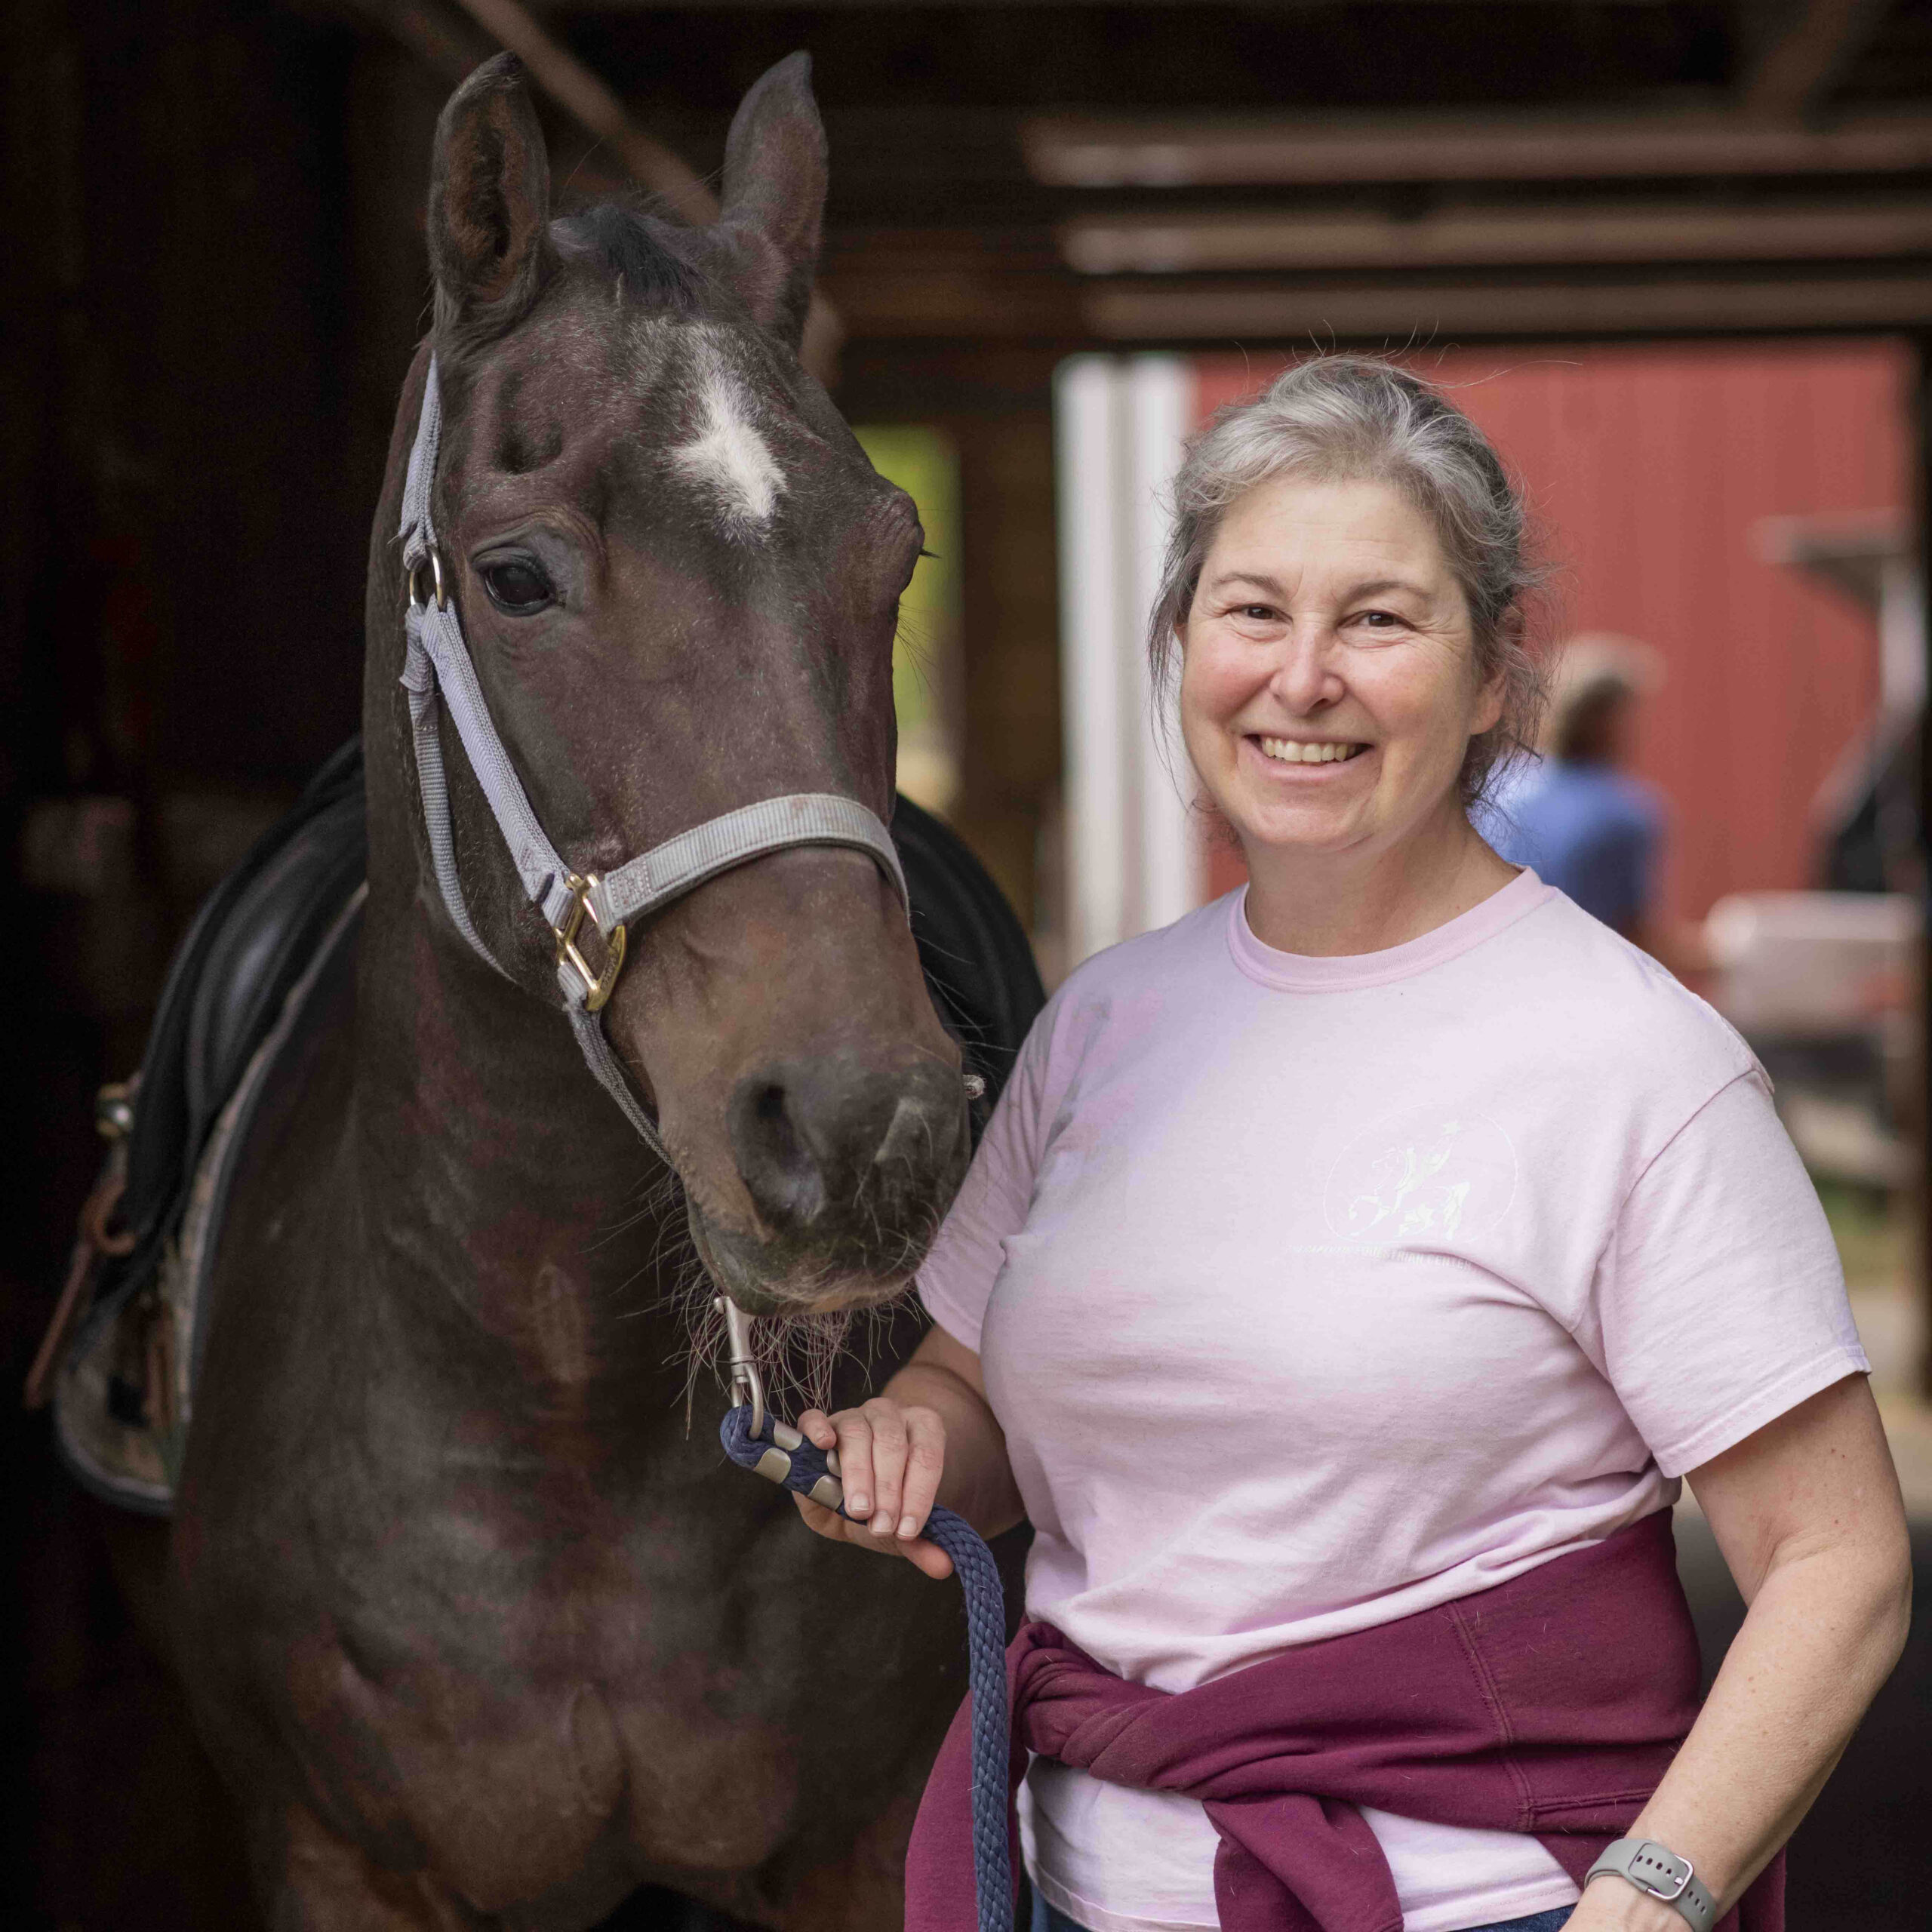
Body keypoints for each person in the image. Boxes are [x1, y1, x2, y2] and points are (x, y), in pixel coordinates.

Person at [793, 358, 1909, 1932]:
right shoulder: (1106, 1024)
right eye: (1251, 611)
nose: (1299, 677)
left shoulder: (1628, 1064)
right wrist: (908, 1435)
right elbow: (971, 1387)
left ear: (1489, 670)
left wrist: (1652, 1893)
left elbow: (1833, 1558)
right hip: (1069, 1888)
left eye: (1376, 619)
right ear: (1182, 642)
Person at [1481, 640, 1707, 976]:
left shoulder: (1489, 789)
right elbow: (1637, 937)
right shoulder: (1620, 812)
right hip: (1576, 986)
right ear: (1606, 721)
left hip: (1486, 974)